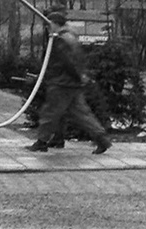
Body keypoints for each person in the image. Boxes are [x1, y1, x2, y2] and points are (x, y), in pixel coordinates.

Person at [27, 10, 112, 155]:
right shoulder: (71, 36)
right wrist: (80, 77)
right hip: (71, 83)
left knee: (50, 112)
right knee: (82, 114)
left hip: (61, 83)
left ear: (54, 24)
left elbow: (68, 62)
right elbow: (76, 60)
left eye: (49, 25)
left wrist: (75, 76)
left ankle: (41, 142)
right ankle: (102, 139)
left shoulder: (61, 39)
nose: (47, 28)